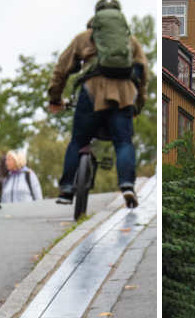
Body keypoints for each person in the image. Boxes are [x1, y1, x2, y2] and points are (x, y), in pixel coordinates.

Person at [47, 0, 147, 209]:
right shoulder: (131, 42)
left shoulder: (83, 39)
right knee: (123, 142)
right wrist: (137, 105)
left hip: (91, 92)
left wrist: (55, 98)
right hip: (123, 95)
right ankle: (127, 185)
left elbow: (61, 70)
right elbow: (143, 76)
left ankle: (66, 189)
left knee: (78, 140)